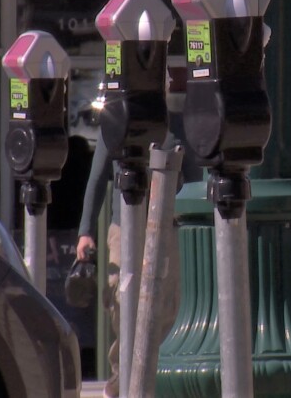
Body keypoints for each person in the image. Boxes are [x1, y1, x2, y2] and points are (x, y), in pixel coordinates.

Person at [75, 69, 200, 398]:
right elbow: (96, 180)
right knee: (121, 301)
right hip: (124, 227)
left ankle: (155, 377)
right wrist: (86, 231)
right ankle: (122, 378)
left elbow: (194, 180)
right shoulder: (114, 123)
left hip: (168, 227)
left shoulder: (178, 126)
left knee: (166, 304)